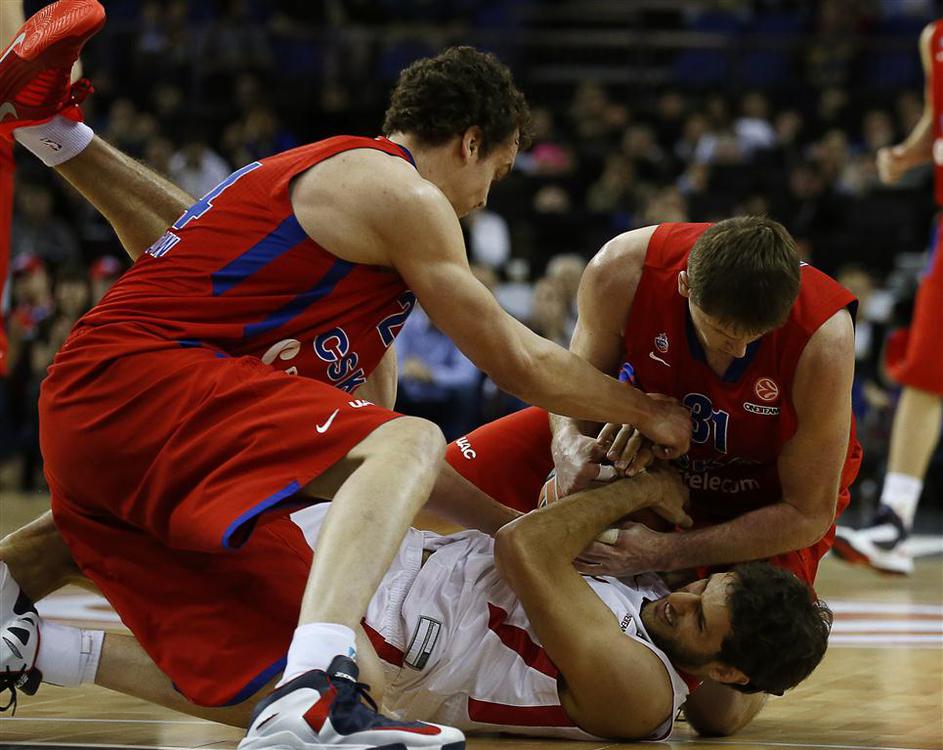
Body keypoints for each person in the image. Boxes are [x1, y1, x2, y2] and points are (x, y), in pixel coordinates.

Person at [0, 3, 692, 749]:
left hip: (108, 437)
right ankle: (318, 684)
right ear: (470, 143)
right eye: (495, 172)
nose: (485, 198)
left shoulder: (338, 257)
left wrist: (505, 524)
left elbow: (176, 239)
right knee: (411, 438)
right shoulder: (400, 192)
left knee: (368, 675)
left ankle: (55, 644)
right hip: (135, 382)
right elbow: (514, 361)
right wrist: (646, 410)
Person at [0, 467, 832, 741]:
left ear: (724, 670)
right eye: (699, 586)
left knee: (102, 525)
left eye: (698, 616)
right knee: (106, 520)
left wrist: (640, 491)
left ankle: (33, 650)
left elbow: (523, 547)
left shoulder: (642, 694)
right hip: (381, 560)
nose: (679, 597)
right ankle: (24, 643)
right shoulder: (660, 605)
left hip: (383, 639)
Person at [833, 21, 943, 576]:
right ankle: (894, 522)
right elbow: (935, 122)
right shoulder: (934, 39)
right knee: (925, 371)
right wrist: (907, 153)